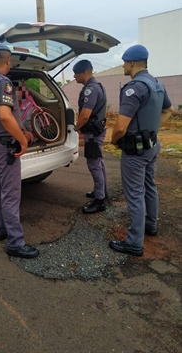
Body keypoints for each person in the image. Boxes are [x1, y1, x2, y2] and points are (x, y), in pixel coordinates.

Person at [109, 44, 174, 256]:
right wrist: (151, 129)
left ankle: (134, 242)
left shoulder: (134, 87)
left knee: (135, 194)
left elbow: (120, 126)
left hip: (135, 151)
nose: (123, 66)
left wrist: (114, 141)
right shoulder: (156, 83)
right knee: (149, 186)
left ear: (131, 63)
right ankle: (150, 226)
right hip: (152, 146)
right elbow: (169, 110)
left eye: (124, 62)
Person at [0, 43, 39, 259]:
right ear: (7, 60)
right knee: (11, 194)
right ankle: (15, 243)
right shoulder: (2, 82)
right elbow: (5, 115)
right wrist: (22, 140)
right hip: (5, 147)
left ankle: (3, 229)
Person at [73, 59, 108, 214]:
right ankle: (101, 191)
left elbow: (85, 115)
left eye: (76, 73)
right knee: (98, 163)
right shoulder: (96, 86)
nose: (74, 76)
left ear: (84, 72)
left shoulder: (91, 89)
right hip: (96, 130)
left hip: (93, 133)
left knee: (94, 164)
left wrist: (75, 128)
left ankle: (100, 201)